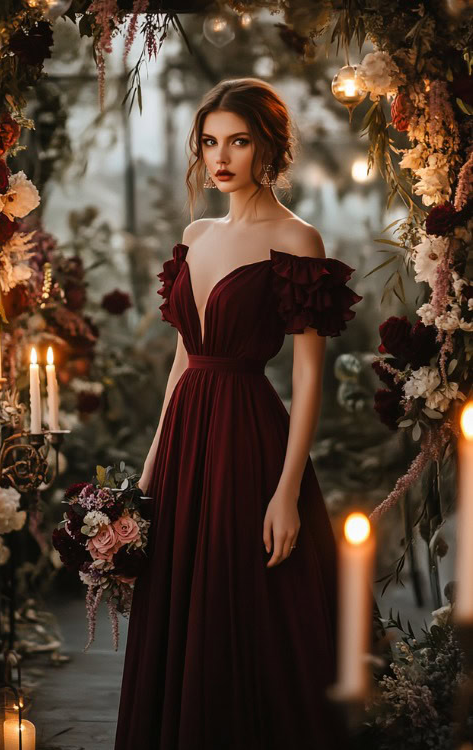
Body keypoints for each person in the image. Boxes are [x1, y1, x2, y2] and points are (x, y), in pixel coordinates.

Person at [114, 76, 363, 750]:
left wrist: (287, 492)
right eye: (211, 142)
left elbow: (310, 378)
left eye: (240, 141)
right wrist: (146, 475)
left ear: (269, 146)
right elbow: (179, 365)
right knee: (180, 606)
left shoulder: (297, 238)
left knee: (246, 610)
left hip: (249, 440)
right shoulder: (196, 234)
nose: (221, 157)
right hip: (187, 435)